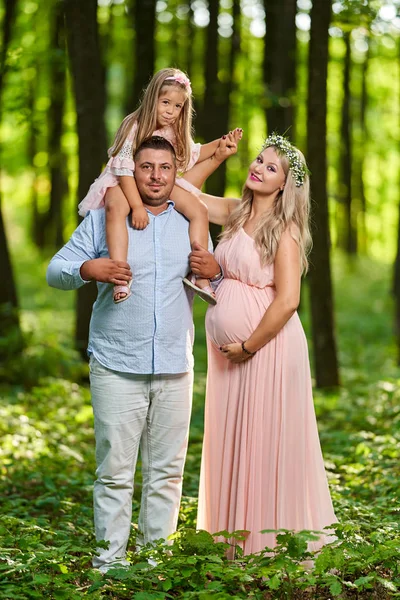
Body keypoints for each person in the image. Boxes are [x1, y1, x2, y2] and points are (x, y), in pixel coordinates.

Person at [46, 136, 226, 573]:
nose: (156, 177)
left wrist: (216, 272)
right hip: (115, 363)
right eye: (146, 167)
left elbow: (216, 288)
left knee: (166, 473)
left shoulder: (189, 223)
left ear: (174, 171)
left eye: (165, 168)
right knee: (114, 471)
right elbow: (56, 270)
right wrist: (90, 269)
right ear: (132, 171)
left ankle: (154, 563)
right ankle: (109, 563)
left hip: (174, 365)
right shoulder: (107, 217)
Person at [194, 133, 337, 557]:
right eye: (259, 159)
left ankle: (268, 546)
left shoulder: (285, 230)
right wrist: (214, 154)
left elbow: (289, 299)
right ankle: (234, 544)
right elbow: (184, 192)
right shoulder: (236, 214)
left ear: (284, 184)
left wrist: (250, 345)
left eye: (271, 167)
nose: (258, 167)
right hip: (232, 357)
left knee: (265, 441)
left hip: (268, 350)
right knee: (237, 437)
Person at [78, 67, 242, 304]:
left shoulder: (172, 130)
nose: (171, 111)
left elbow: (192, 154)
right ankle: (120, 275)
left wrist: (221, 144)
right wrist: (136, 206)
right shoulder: (133, 124)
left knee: (199, 209)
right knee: (115, 208)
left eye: (178, 106)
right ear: (152, 97)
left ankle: (199, 273)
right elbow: (123, 169)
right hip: (124, 179)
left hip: (157, 182)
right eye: (166, 102)